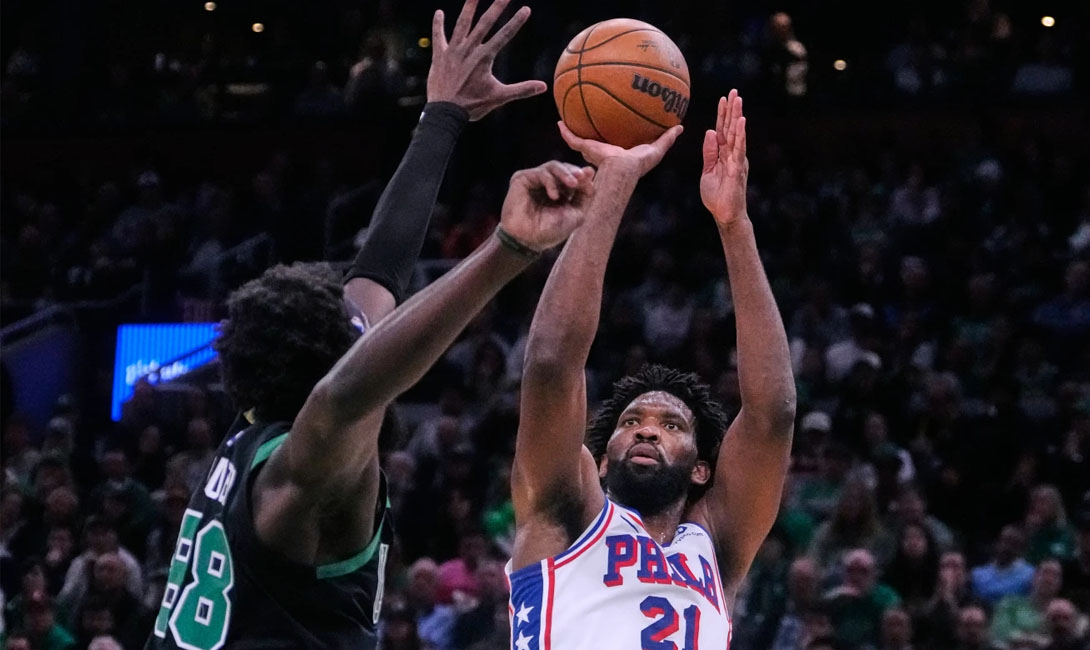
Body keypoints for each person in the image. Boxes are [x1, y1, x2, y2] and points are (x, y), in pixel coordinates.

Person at [145, 1, 587, 646]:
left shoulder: (252, 435)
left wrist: (442, 116)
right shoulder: (307, 468)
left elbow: (381, 266)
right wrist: (508, 249)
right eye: (360, 332)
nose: (372, 321)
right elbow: (346, 391)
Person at [507, 90, 796, 649]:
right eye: (633, 422)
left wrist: (734, 225)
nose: (646, 430)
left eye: (671, 426)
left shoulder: (716, 545)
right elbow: (550, 365)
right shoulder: (566, 511)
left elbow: (773, 414)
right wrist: (615, 178)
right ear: (601, 457)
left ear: (701, 470)